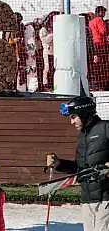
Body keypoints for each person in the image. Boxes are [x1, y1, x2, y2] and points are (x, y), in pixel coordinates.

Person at [47, 96, 109, 231]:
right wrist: (58, 164)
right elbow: (79, 168)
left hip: (106, 198)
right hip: (87, 200)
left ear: (84, 113)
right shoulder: (82, 138)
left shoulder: (105, 128)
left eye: (73, 117)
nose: (71, 122)